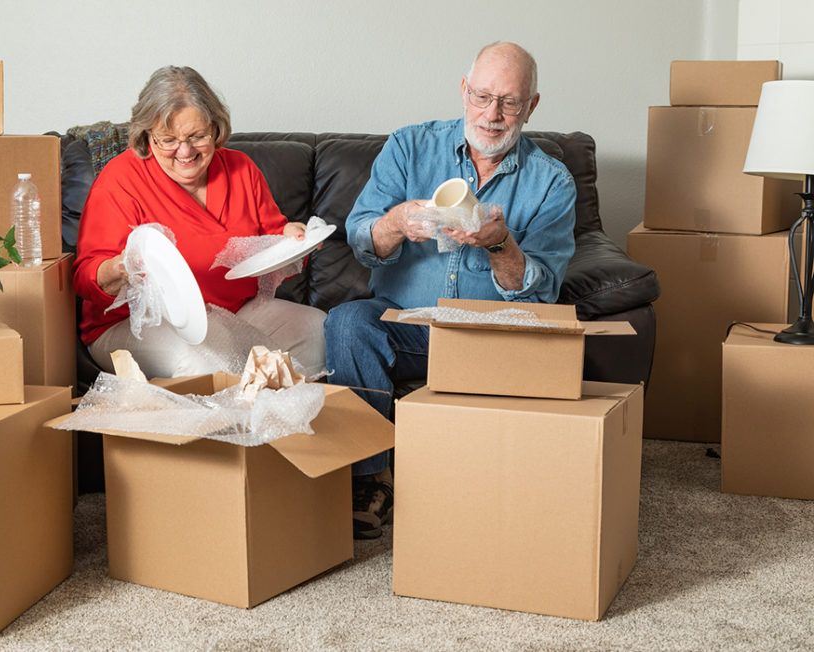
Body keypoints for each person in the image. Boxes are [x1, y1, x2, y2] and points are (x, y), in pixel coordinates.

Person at [325, 42, 577, 539]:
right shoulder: (409, 146)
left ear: (532, 106)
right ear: (464, 92)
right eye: (482, 96)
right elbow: (360, 238)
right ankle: (371, 478)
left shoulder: (552, 182)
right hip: (406, 324)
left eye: (509, 101)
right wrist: (397, 222)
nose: (493, 114)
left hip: (491, 333)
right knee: (348, 321)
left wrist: (501, 244)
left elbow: (540, 297)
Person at [74, 66, 327, 379]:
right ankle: (233, 425)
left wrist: (291, 235)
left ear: (216, 128)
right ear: (146, 135)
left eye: (197, 136)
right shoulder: (120, 179)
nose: (185, 151)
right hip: (139, 323)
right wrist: (121, 269)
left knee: (319, 331)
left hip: (233, 312)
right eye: (168, 139)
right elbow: (85, 278)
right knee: (202, 362)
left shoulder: (241, 169)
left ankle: (281, 423)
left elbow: (271, 236)